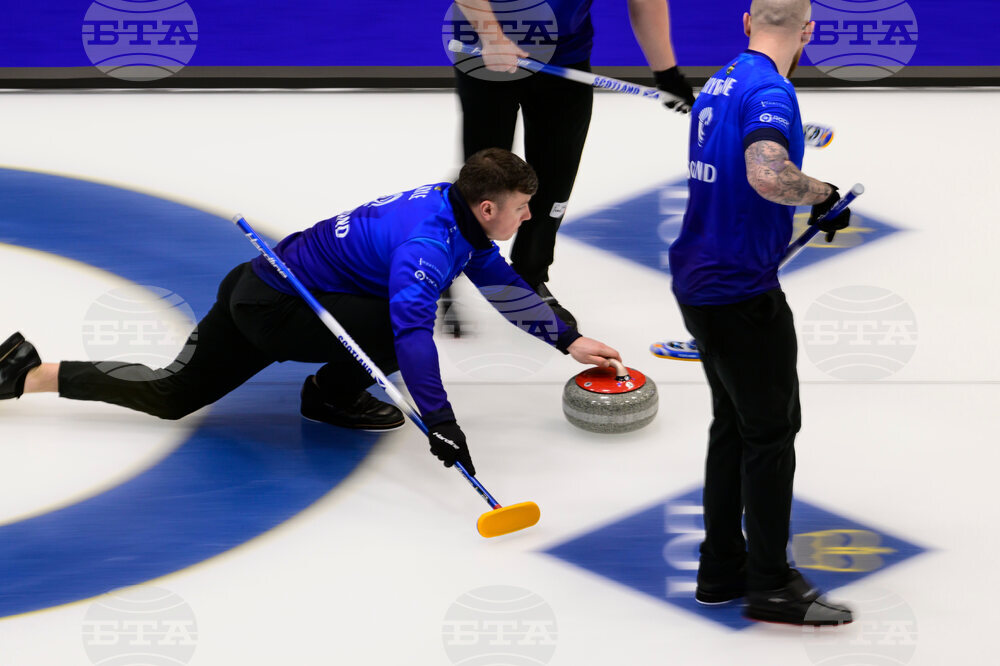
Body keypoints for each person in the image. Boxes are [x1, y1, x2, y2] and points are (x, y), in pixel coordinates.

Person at [0, 149, 621, 476]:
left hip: (260, 286)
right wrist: (442, 421)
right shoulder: (426, 248)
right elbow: (410, 338)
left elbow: (502, 284)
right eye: (522, 207)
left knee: (171, 395)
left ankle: (27, 372)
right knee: (400, 322)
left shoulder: (450, 208)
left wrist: (568, 340)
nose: (529, 217)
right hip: (276, 309)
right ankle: (330, 394)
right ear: (487, 209)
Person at [667, 0, 853, 625]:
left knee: (734, 425)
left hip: (698, 280)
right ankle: (771, 582)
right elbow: (767, 175)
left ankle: (721, 568)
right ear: (809, 32)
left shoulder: (721, 80)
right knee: (771, 435)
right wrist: (822, 193)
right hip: (742, 294)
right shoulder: (771, 91)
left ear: (746, 24)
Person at [445, 0, 696, 332]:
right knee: (485, 182)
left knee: (555, 181)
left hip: (564, 56)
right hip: (485, 49)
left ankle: (529, 277)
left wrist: (666, 72)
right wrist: (492, 37)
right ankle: (442, 264)